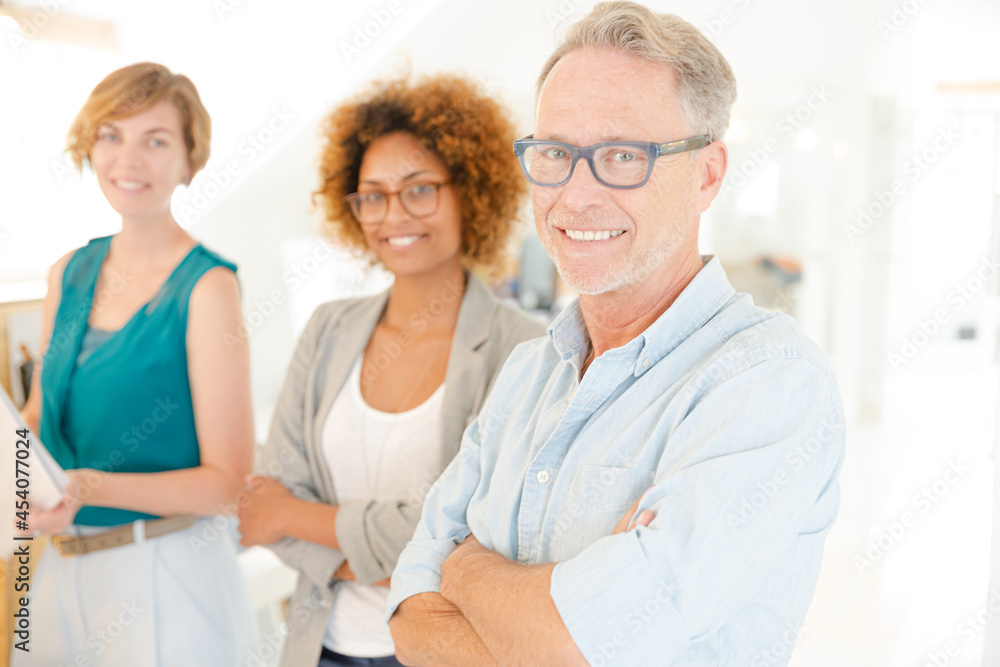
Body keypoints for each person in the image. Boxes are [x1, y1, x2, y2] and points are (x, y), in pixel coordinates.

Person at [386, 3, 847, 666]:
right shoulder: (528, 371)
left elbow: (584, 642)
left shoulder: (768, 383)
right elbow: (407, 619)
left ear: (708, 173)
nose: (576, 197)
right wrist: (547, 615)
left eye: (623, 155)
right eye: (554, 153)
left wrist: (463, 568)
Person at [236, 74, 546, 667]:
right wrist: (414, 573)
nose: (392, 215)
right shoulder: (329, 329)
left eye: (419, 189)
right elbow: (263, 506)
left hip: (444, 653)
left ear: (471, 192)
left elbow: (473, 541)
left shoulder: (522, 350)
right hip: (319, 647)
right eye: (372, 195)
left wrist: (294, 518)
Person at [15, 62, 257, 665]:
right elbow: (41, 412)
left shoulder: (207, 288)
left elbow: (227, 481)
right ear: (89, 147)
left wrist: (83, 486)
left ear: (189, 160)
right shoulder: (68, 272)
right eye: (111, 135)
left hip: (166, 577)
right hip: (62, 572)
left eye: (156, 140)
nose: (129, 159)